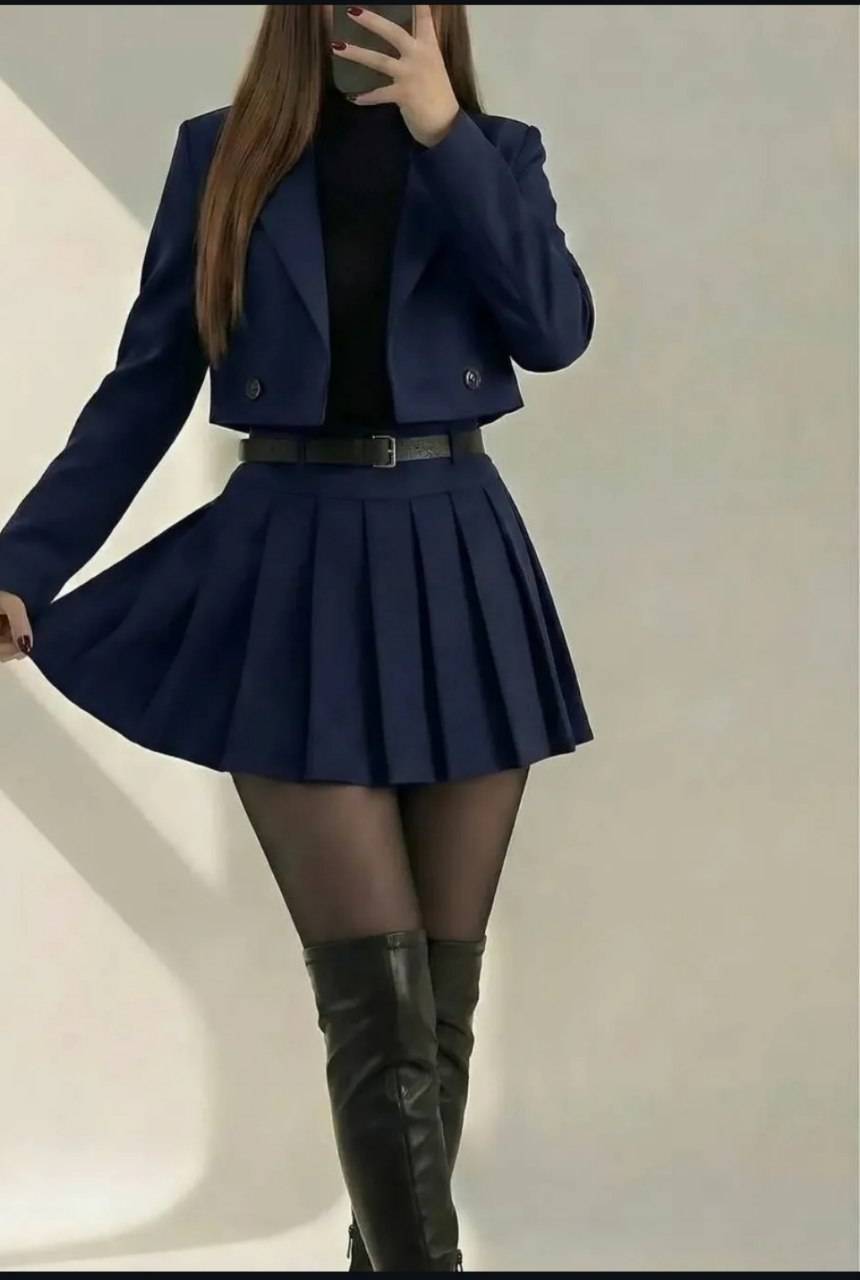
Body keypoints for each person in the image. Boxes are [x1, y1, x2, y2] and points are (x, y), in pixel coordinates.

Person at [0, 5, 595, 1270]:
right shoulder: (222, 154)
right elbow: (147, 382)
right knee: (374, 1009)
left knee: (435, 1011)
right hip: (293, 563)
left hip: (456, 559)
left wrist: (443, 134)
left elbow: (553, 331)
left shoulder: (496, 151)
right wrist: (22, 564)